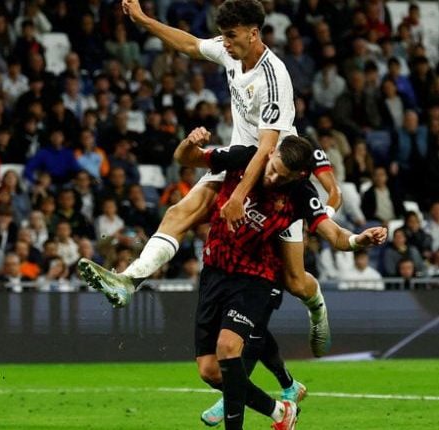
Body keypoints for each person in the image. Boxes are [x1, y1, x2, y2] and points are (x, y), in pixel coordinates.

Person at [82, 0, 340, 357]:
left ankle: (317, 307)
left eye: (232, 36)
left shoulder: (274, 77)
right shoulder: (231, 50)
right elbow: (189, 44)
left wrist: (238, 197)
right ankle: (129, 281)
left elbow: (266, 149)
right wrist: (143, 20)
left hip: (275, 176)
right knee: (180, 211)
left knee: (295, 281)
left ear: (253, 34)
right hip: (239, 160)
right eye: (223, 36)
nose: (225, 43)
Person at [96, 129, 385, 430]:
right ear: (271, 154)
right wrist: (190, 142)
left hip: (255, 277)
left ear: (299, 175)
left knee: (228, 347)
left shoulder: (301, 193)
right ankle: (279, 412)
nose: (273, 178)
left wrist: (359, 240)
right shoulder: (244, 157)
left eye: (283, 177)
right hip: (215, 270)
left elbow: (334, 234)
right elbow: (185, 158)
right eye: (273, 169)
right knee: (210, 371)